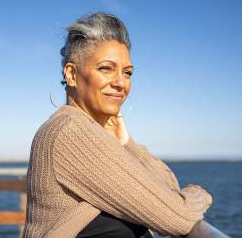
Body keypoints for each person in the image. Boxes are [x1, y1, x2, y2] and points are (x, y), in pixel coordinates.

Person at [22, 12, 212, 238]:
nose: (121, 83)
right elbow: (180, 217)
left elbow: (170, 189)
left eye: (127, 72)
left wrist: (126, 142)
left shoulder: (89, 131)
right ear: (72, 74)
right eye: (106, 68)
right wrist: (200, 194)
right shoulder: (70, 131)